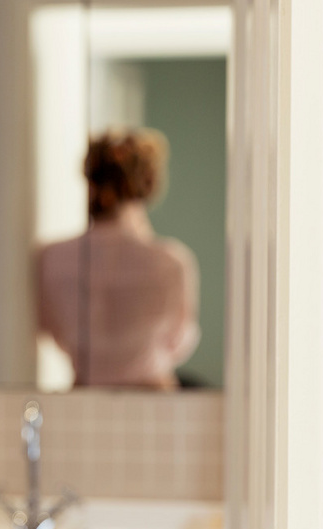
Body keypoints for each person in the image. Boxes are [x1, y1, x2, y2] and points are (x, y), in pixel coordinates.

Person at [36, 128, 200, 391]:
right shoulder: (170, 262)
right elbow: (178, 342)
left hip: (83, 396)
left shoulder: (51, 258)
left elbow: (49, 328)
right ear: (149, 183)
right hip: (154, 398)